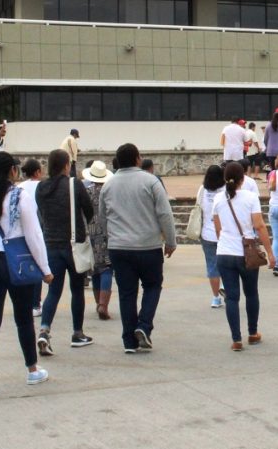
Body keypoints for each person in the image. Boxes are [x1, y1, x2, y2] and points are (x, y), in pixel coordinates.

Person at [0, 152, 53, 399]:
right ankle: (32, 370)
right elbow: (33, 235)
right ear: (12, 171)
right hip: (14, 263)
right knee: (24, 318)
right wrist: (45, 270)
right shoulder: (19, 196)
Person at [97, 143, 177, 353]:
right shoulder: (151, 182)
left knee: (126, 293)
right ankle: (143, 326)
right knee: (152, 286)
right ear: (137, 159)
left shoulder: (108, 185)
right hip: (148, 246)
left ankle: (128, 341)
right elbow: (164, 214)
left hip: (119, 248)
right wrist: (170, 241)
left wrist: (110, 239)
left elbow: (102, 218)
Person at [35, 148, 95, 353]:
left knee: (54, 290)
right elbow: (89, 211)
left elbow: (41, 213)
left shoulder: (41, 187)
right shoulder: (74, 184)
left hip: (51, 244)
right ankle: (77, 333)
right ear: (66, 165)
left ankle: (44, 331)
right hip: (73, 244)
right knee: (77, 289)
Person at [213, 161, 275, 351]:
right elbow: (259, 225)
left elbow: (218, 229)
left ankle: (236, 339)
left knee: (231, 297)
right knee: (251, 293)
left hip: (224, 252)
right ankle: (252, 333)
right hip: (246, 252)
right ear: (243, 178)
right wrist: (270, 253)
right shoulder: (250, 197)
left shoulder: (218, 198)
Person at [82, 160, 113, 319]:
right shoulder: (109, 191)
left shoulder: (85, 191)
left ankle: (97, 303)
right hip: (106, 233)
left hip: (89, 233)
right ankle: (103, 304)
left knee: (94, 269)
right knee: (107, 268)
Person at [18, 159, 45, 317]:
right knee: (38, 265)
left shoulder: (19, 187)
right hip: (39, 229)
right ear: (37, 172)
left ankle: (26, 301)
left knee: (25, 265)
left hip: (22, 230)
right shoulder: (42, 186)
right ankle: (36, 303)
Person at [198, 165, 226, 308]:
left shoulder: (202, 190)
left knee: (212, 266)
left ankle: (215, 298)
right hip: (224, 233)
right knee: (227, 264)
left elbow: (199, 208)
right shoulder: (225, 190)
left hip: (207, 234)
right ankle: (226, 287)